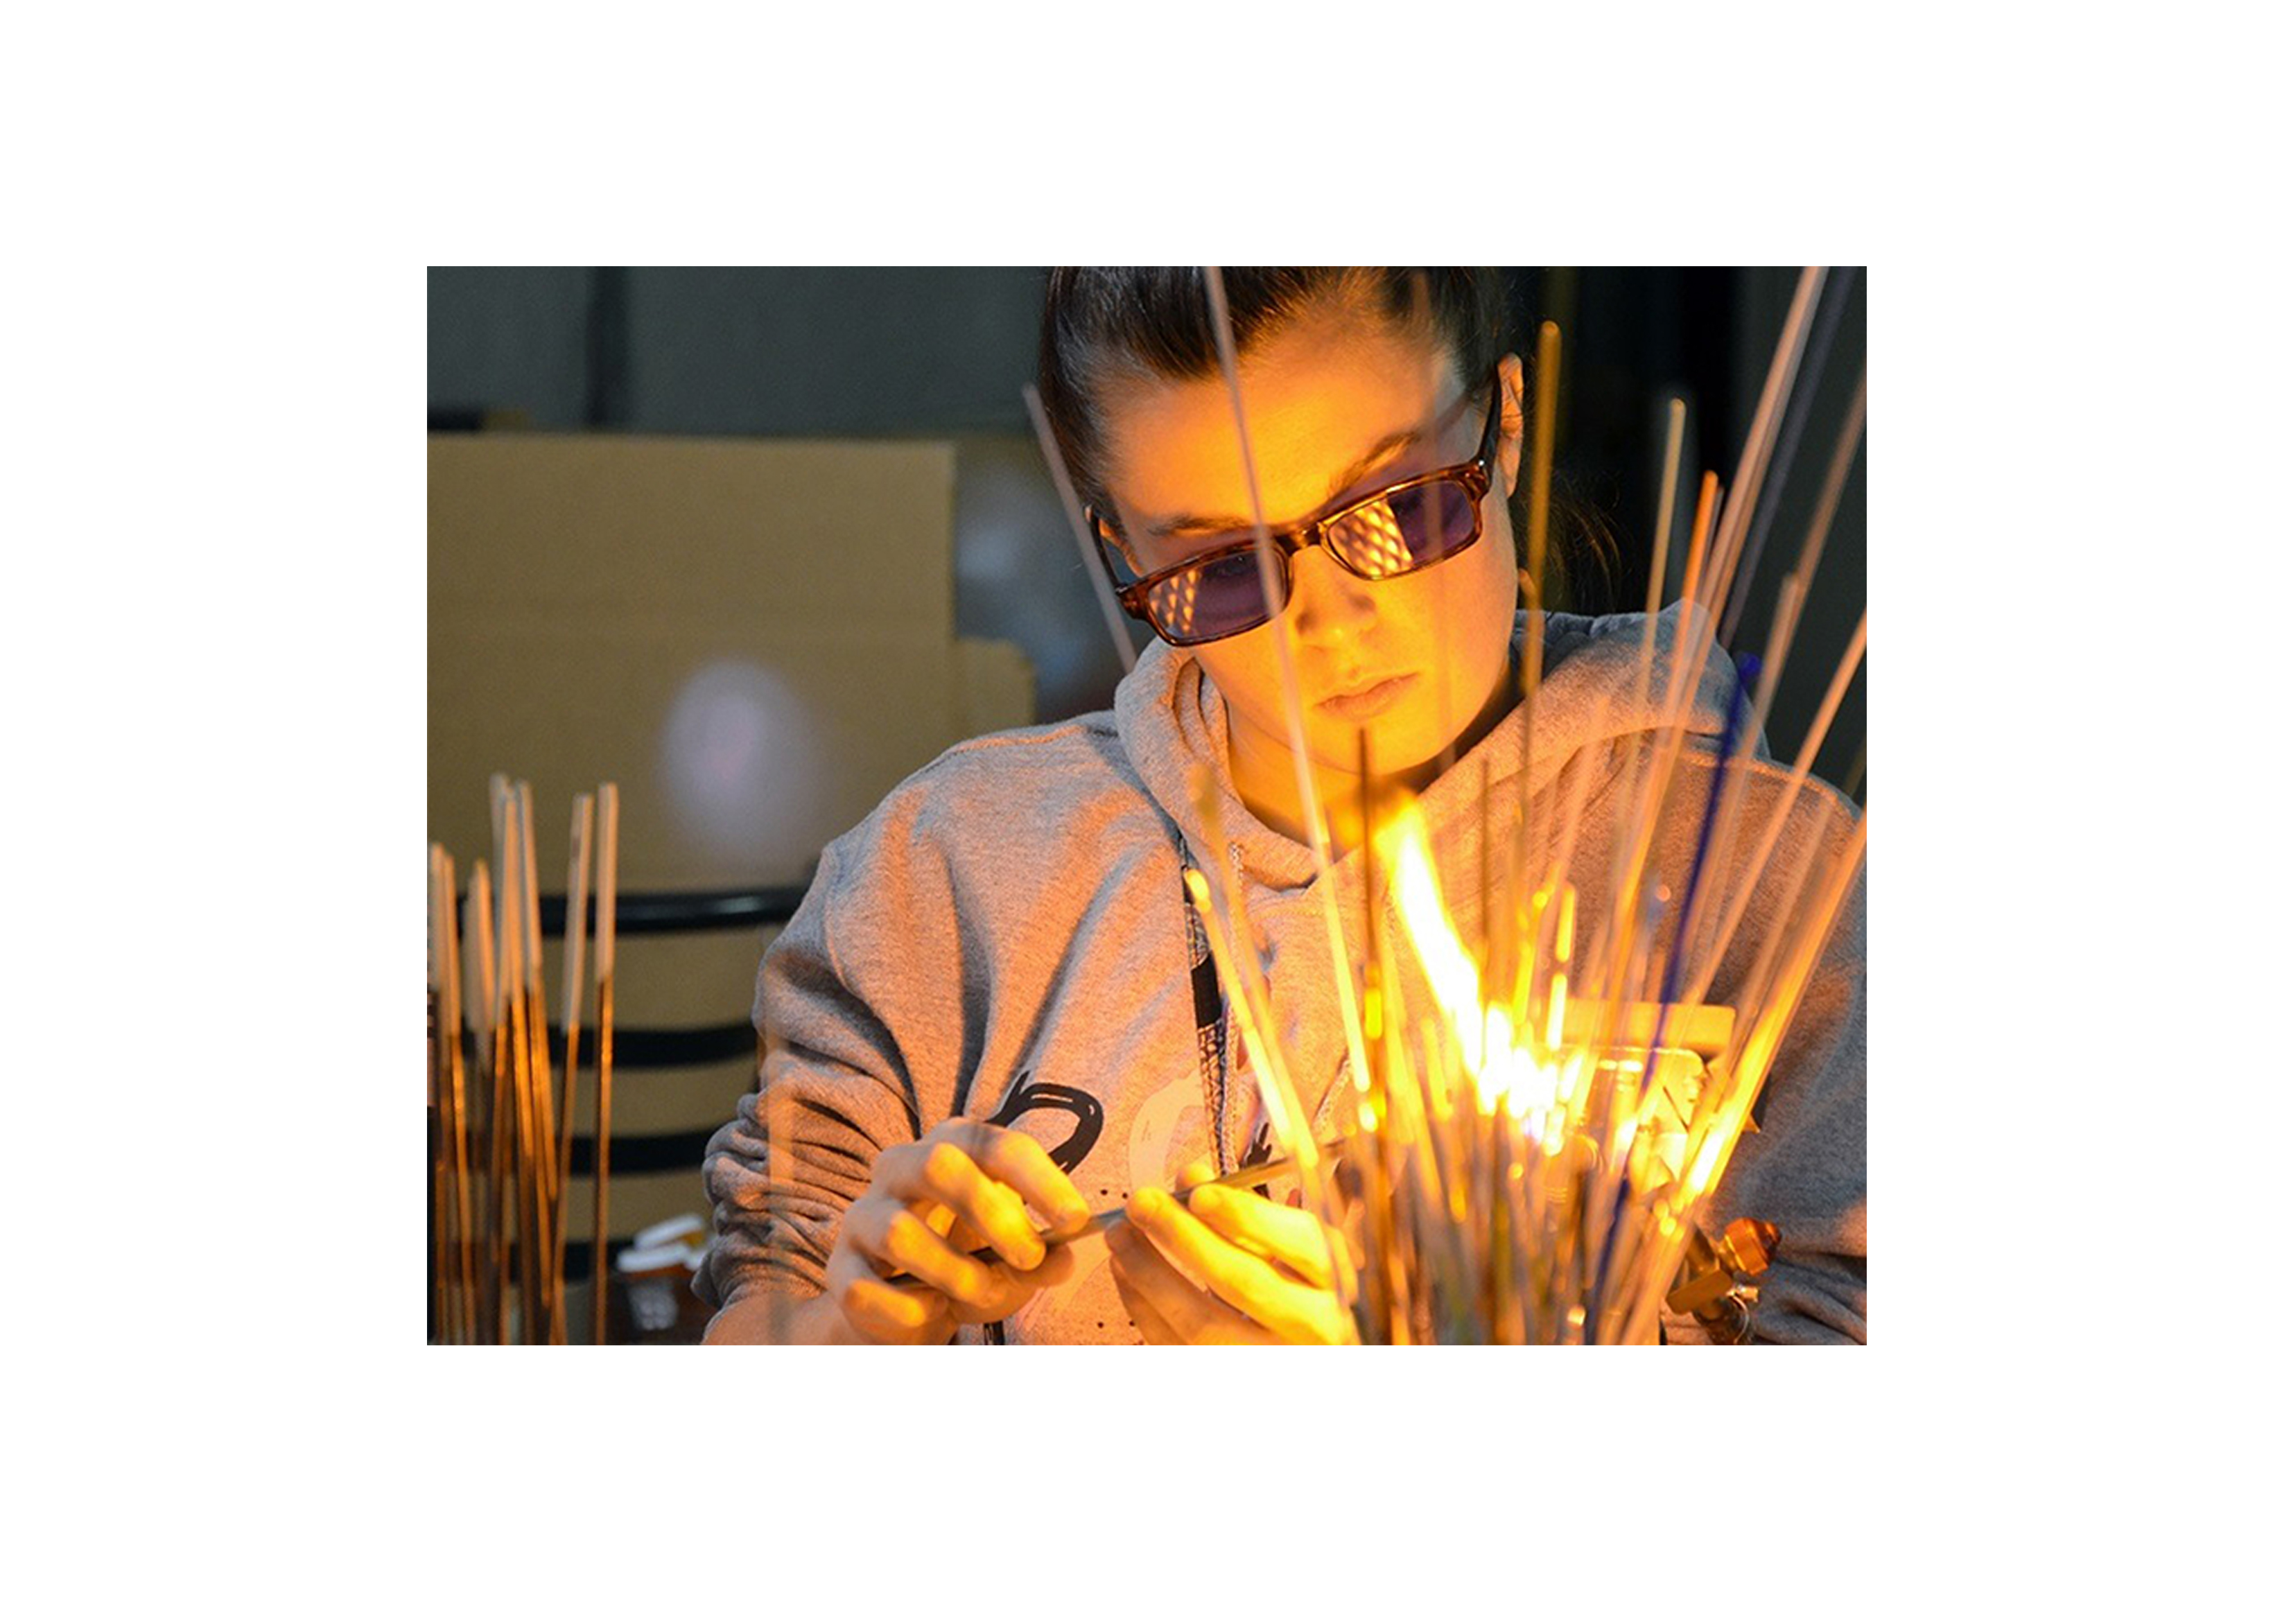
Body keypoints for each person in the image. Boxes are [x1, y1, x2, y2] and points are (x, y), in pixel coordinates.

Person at [694, 268, 1866, 1345]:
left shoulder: (1780, 891)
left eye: (1401, 508)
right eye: (1223, 569)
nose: (1333, 623)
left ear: (1504, 424)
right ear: (1122, 555)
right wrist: (844, 1339)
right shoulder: (950, 877)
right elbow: (766, 1311)